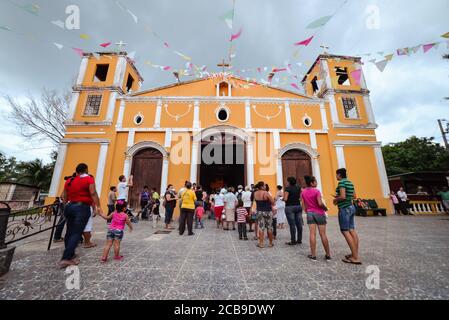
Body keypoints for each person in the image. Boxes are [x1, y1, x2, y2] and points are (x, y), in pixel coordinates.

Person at [59, 163, 103, 268]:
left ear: (77, 171)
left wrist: (65, 206)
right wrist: (98, 206)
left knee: (69, 232)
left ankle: (70, 254)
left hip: (69, 206)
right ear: (86, 170)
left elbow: (64, 195)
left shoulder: (69, 180)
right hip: (81, 207)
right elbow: (93, 193)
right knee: (77, 232)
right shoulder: (89, 179)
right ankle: (66, 258)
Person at [333, 168, 361, 265]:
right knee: (352, 230)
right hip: (351, 207)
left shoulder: (341, 183)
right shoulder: (350, 182)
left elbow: (343, 196)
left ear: (339, 175)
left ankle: (355, 257)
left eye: (336, 175)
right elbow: (354, 196)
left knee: (345, 231)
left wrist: (336, 200)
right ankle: (354, 254)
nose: (336, 176)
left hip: (344, 208)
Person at [301, 176, 331, 261]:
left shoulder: (303, 192)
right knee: (323, 234)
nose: (316, 183)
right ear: (312, 183)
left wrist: (307, 211)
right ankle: (328, 254)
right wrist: (325, 208)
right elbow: (320, 203)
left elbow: (303, 205)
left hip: (310, 213)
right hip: (319, 213)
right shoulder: (317, 191)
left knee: (312, 234)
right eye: (315, 181)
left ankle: (313, 255)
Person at [254, 181, 275, 248]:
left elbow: (255, 202)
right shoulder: (266, 193)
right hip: (268, 211)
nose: (265, 186)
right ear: (262, 186)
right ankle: (270, 243)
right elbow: (273, 202)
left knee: (261, 228)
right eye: (264, 185)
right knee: (269, 228)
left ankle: (261, 243)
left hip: (259, 212)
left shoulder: (255, 193)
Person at [284, 177, 303, 246]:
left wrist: (282, 198)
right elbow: (301, 196)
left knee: (292, 225)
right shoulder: (298, 187)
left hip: (289, 207)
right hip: (298, 206)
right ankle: (299, 239)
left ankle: (293, 240)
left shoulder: (288, 188)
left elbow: (285, 199)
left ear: (289, 182)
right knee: (299, 224)